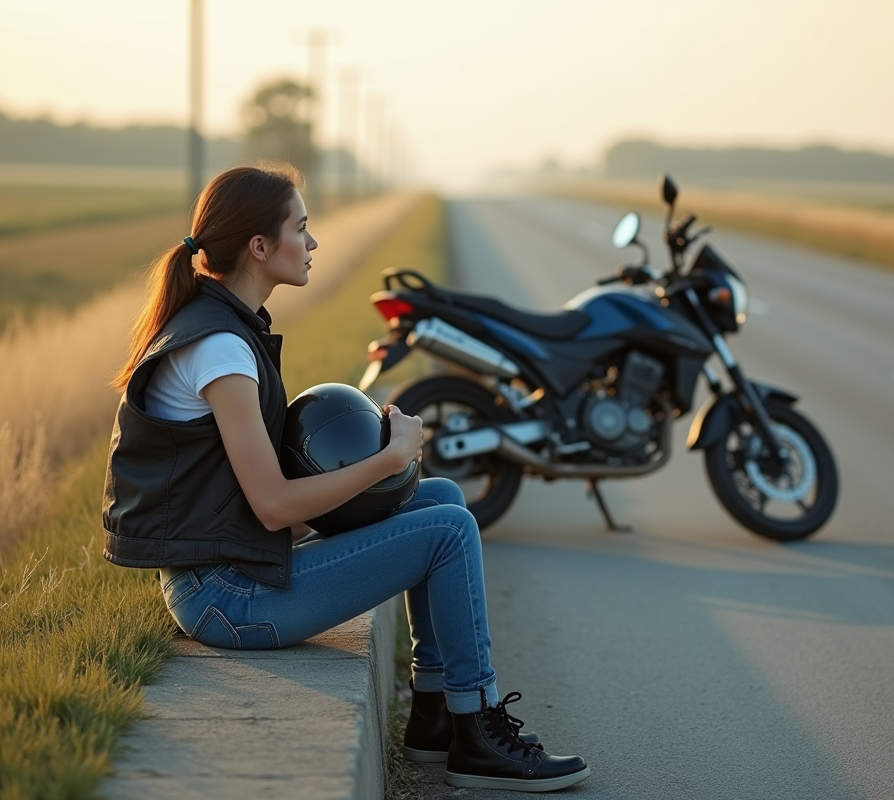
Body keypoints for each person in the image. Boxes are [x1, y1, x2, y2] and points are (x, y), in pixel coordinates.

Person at [101, 164, 590, 792]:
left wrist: (385, 475)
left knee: (438, 497)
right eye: (300, 229)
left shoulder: (223, 328)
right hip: (223, 598)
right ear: (259, 247)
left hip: (229, 567)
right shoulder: (219, 349)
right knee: (446, 529)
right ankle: (476, 730)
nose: (312, 243)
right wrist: (386, 462)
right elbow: (274, 505)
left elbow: (254, 499)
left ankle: (437, 716)